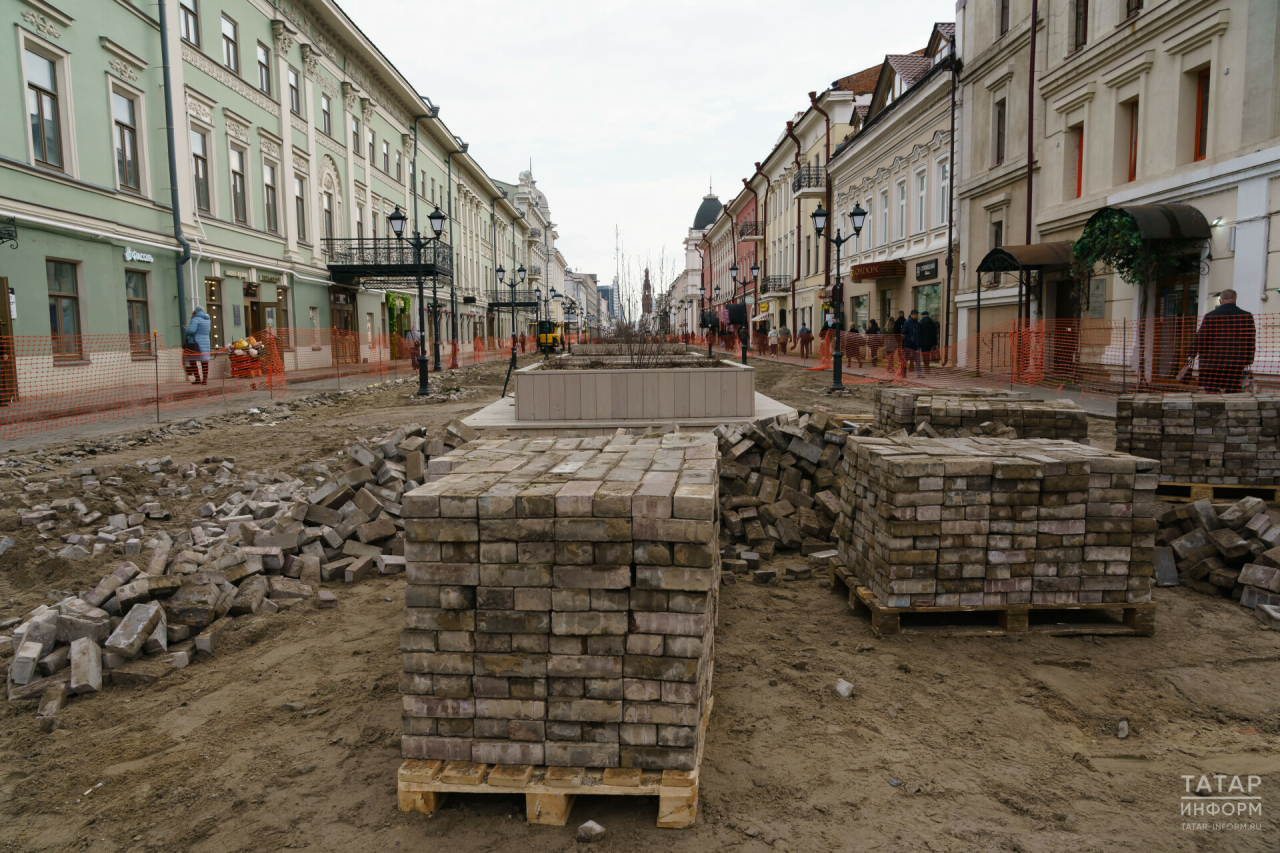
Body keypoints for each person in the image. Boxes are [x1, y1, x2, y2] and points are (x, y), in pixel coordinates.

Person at [1192, 288, 1256, 392]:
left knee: (1212, 391)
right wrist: (1249, 359)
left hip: (1212, 361)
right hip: (1236, 361)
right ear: (1235, 299)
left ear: (1220, 300)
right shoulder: (1246, 316)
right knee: (1232, 390)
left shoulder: (1210, 316)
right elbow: (1250, 340)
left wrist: (1192, 353)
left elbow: (1201, 337)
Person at [184, 306, 212, 385]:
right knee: (204, 361)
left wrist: (186, 329)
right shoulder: (207, 319)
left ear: (195, 312)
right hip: (206, 342)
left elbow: (192, 331)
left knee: (192, 360)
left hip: (195, 342)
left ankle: (197, 378)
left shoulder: (195, 319)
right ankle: (205, 379)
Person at [902, 309, 924, 377]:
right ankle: (903, 372)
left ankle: (919, 374)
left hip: (916, 344)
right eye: (914, 314)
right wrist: (910, 339)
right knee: (905, 359)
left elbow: (920, 333)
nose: (915, 316)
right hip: (908, 344)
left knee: (917, 359)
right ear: (911, 315)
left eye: (916, 314)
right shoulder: (907, 323)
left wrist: (919, 340)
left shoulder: (917, 324)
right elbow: (904, 333)